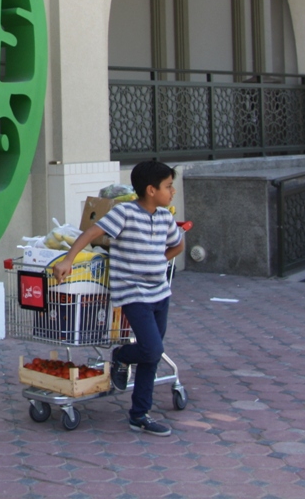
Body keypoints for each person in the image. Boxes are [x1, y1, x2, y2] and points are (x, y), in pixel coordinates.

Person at [52, 160, 184, 437]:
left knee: (151, 357)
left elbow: (178, 244)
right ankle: (121, 356)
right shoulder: (124, 212)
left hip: (161, 293)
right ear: (150, 189)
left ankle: (140, 415)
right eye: (168, 186)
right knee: (152, 349)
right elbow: (91, 233)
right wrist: (68, 260)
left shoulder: (164, 217)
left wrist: (158, 262)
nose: (172, 192)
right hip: (134, 294)